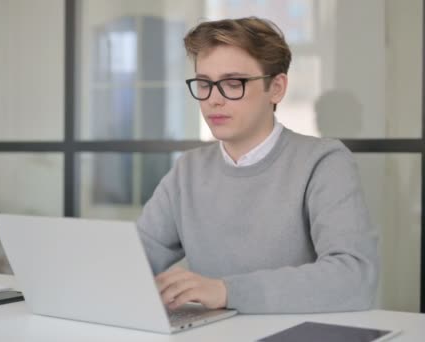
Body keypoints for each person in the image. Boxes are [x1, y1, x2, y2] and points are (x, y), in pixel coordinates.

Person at [137, 17, 378, 314]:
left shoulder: (323, 162)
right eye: (204, 84)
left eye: (232, 83)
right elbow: (134, 261)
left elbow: (354, 277)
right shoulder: (188, 171)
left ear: (276, 88)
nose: (213, 99)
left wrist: (226, 291)